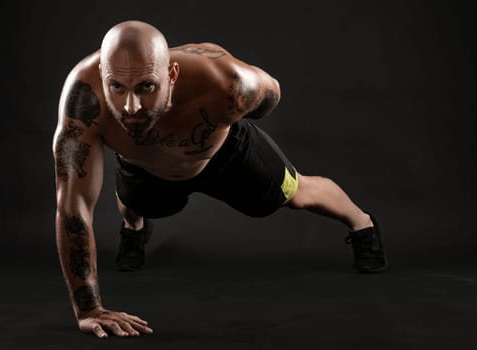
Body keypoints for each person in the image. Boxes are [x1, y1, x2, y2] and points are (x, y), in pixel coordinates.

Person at [52, 19, 387, 339]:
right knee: (132, 207)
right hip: (145, 170)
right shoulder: (84, 100)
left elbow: (271, 94)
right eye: (117, 87)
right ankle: (135, 231)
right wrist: (89, 310)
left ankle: (362, 224)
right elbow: (74, 206)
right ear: (102, 75)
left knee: (297, 191)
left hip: (227, 158)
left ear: (171, 74)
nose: (131, 107)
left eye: (147, 87)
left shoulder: (225, 82)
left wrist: (225, 114)